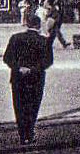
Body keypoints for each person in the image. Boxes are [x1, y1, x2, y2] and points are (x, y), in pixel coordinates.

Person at [3, 13, 54, 145]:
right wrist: (32, 69)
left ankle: (22, 134)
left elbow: (7, 58)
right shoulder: (43, 41)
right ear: (38, 26)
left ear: (27, 24)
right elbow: (48, 61)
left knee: (19, 105)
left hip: (18, 77)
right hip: (36, 78)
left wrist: (19, 67)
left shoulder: (15, 38)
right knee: (33, 105)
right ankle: (29, 132)